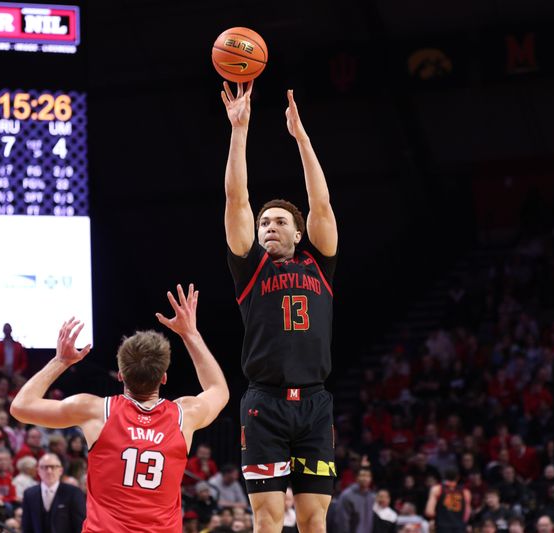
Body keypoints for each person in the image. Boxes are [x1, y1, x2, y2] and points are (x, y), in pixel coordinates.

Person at [10, 284, 229, 532]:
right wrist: (190, 334)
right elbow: (218, 390)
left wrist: (61, 361)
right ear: (164, 377)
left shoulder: (94, 410)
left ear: (120, 376)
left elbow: (21, 407)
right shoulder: (184, 415)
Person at [221, 79, 338, 533]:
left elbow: (322, 203)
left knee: (313, 520)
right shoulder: (251, 269)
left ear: (298, 233)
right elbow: (236, 199)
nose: (269, 226)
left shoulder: (320, 265)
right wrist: (240, 130)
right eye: (264, 221)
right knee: (266, 520)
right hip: (264, 402)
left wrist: (302, 139)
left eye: (280, 221)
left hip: (314, 403)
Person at [21, 453, 85, 533]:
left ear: (60, 470)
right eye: (44, 467)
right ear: (38, 471)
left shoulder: (74, 493)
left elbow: (79, 525)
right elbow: (26, 525)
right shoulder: (29, 494)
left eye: (53, 467)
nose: (49, 471)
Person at [425, 468, 471, 533]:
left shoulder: (437, 489)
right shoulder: (465, 492)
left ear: (444, 476)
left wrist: (433, 520)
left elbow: (429, 512)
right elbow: (467, 514)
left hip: (441, 527)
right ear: (458, 477)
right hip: (459, 528)